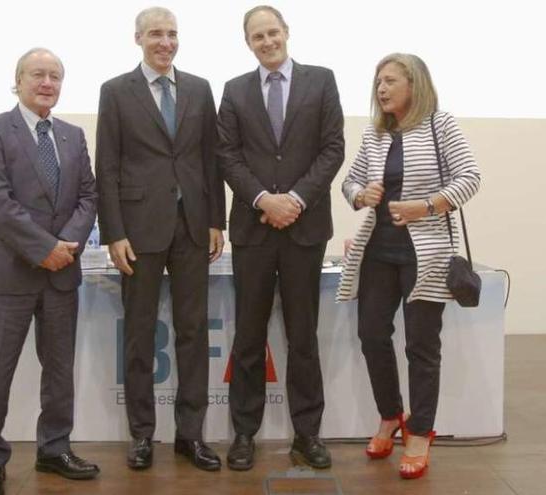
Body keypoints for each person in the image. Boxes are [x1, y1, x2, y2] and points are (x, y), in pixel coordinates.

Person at [337, 53, 481, 480]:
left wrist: (426, 206)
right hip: (378, 250)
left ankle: (419, 433)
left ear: (414, 85)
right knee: (371, 335)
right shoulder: (376, 134)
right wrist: (362, 195)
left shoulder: (441, 124)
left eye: (390, 81)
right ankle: (389, 416)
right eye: (378, 81)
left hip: (427, 254)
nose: (381, 89)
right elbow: (349, 181)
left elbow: (470, 177)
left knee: (421, 346)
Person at [95, 6, 226, 472]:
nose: (165, 42)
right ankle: (142, 436)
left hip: (192, 227)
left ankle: (191, 435)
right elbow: (106, 166)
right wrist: (114, 233)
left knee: (192, 332)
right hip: (139, 230)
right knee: (139, 334)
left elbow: (211, 160)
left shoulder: (199, 88)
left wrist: (216, 220)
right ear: (138, 39)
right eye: (155, 34)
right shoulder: (115, 91)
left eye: (172, 34)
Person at [217, 5, 344, 471]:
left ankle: (307, 434)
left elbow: (333, 147)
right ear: (248, 43)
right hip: (254, 230)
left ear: (286, 33)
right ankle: (244, 434)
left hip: (304, 228)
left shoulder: (321, 80)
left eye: (272, 32)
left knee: (303, 334)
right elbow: (227, 155)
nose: (267, 42)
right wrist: (262, 200)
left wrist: (294, 199)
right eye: (257, 37)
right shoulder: (233, 91)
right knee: (248, 336)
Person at [0, 48, 100, 495]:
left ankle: (54, 449)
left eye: (56, 76)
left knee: (60, 371)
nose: (47, 83)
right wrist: (45, 249)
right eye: (38, 75)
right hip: (7, 276)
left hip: (61, 275)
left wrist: (67, 248)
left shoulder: (72, 135)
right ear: (18, 80)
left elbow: (88, 198)